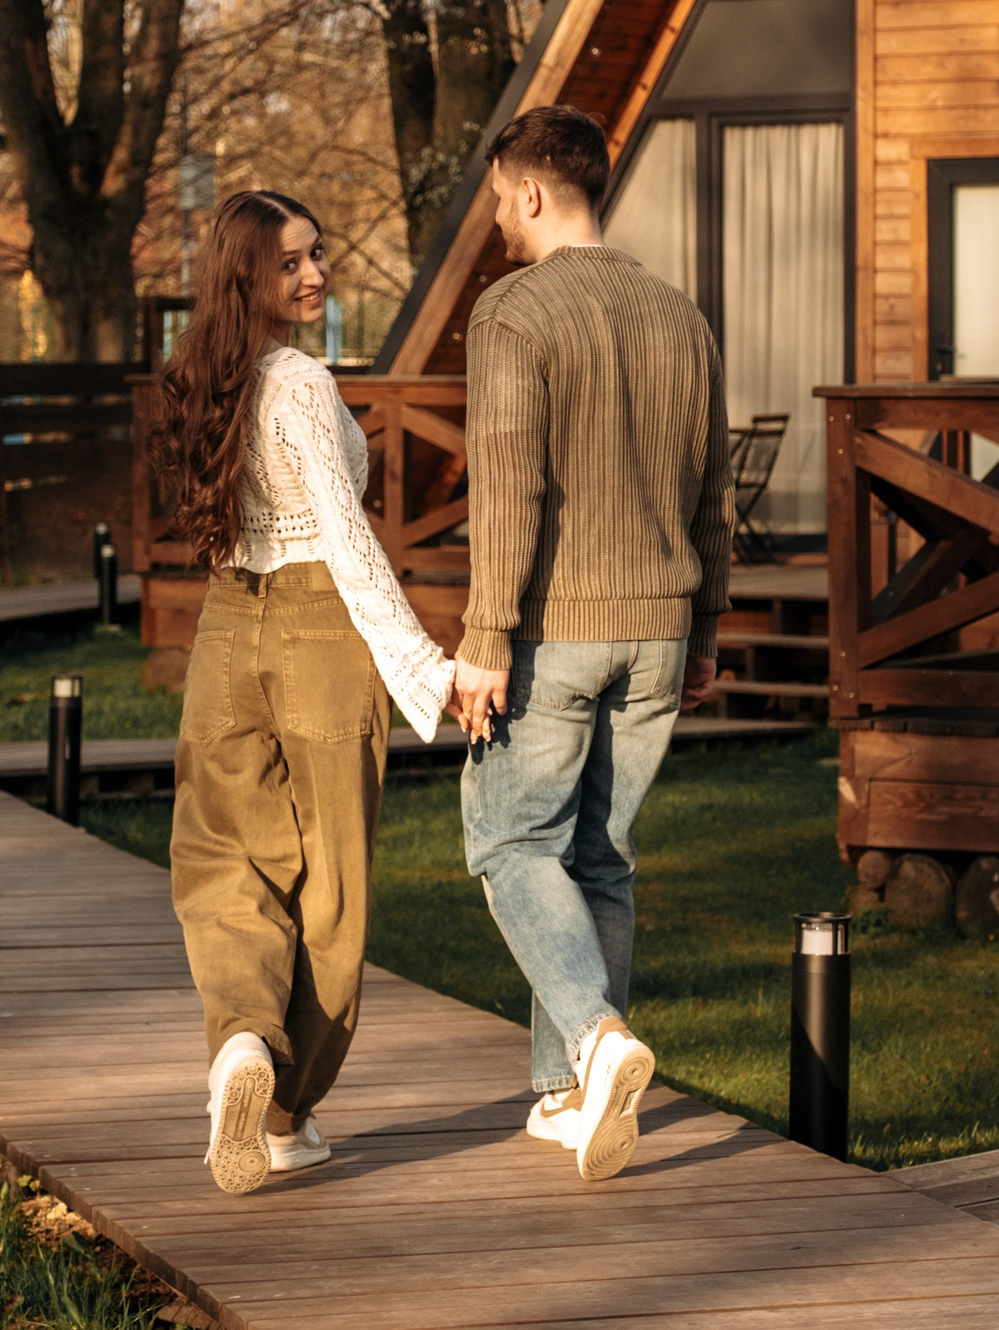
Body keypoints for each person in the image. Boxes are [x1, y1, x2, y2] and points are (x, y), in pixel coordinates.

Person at [148, 189, 458, 1196]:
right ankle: (283, 1108)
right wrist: (426, 670)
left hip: (228, 625)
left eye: (316, 255)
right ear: (248, 275)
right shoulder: (303, 383)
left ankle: (240, 1037)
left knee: (220, 854)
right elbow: (348, 541)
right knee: (331, 881)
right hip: (322, 629)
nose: (316, 274)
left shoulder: (197, 375)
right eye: (291, 263)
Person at [448, 105, 729, 1183]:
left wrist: (483, 640)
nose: (498, 225)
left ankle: (597, 1042)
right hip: (660, 628)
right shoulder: (680, 315)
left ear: (526, 192)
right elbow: (715, 500)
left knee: (510, 844)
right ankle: (573, 1097)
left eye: (497, 203)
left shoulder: (511, 312)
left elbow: (510, 488)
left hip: (555, 631)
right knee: (599, 859)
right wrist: (704, 630)